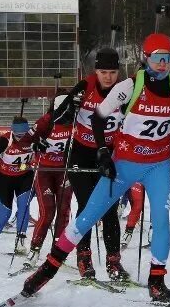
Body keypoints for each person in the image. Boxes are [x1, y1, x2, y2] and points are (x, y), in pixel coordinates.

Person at [19, 33, 170, 300]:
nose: (162, 64)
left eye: (168, 58)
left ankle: (156, 281)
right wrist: (103, 152)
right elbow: (98, 118)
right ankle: (48, 269)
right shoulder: (129, 85)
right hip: (123, 164)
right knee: (88, 215)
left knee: (161, 220)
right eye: (157, 58)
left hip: (158, 164)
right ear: (146, 59)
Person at [49, 47, 132, 282]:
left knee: (109, 208)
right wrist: (70, 107)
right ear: (96, 71)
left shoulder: (125, 90)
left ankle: (113, 261)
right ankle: (83, 257)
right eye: (103, 71)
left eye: (113, 72)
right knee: (87, 206)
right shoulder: (85, 86)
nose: (108, 77)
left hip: (109, 156)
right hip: (81, 154)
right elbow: (56, 117)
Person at [25, 96, 74, 267]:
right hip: (44, 170)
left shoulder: (77, 120)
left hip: (64, 171)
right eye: (64, 111)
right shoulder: (46, 120)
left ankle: (58, 252)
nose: (67, 114)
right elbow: (26, 140)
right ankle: (34, 248)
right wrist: (36, 144)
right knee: (47, 212)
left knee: (64, 211)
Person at [0, 117, 35, 256]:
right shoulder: (4, 141)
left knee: (24, 207)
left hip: (25, 177)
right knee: (5, 213)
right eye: (18, 135)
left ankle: (20, 241)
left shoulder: (33, 139)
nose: (21, 138)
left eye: (24, 135)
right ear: (12, 132)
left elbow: (40, 157)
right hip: (5, 179)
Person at [121, 182, 146, 248]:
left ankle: (154, 232)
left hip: (153, 177)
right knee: (137, 205)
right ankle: (128, 232)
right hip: (137, 178)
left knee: (156, 203)